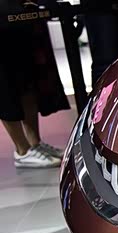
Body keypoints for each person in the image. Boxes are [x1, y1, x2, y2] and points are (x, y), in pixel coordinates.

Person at [0, 17, 70, 168]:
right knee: (4, 84)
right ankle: (22, 151)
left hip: (18, 19)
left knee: (28, 80)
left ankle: (35, 144)